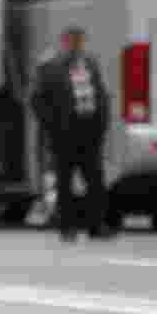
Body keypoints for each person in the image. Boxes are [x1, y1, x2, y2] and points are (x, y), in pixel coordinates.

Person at [30, 26, 115, 241]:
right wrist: (52, 126)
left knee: (95, 181)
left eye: (80, 41)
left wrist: (102, 122)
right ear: (65, 42)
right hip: (64, 134)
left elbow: (101, 95)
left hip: (89, 132)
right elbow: (37, 100)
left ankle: (96, 225)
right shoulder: (51, 68)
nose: (77, 45)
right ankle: (67, 227)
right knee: (65, 183)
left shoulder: (90, 64)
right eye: (72, 41)